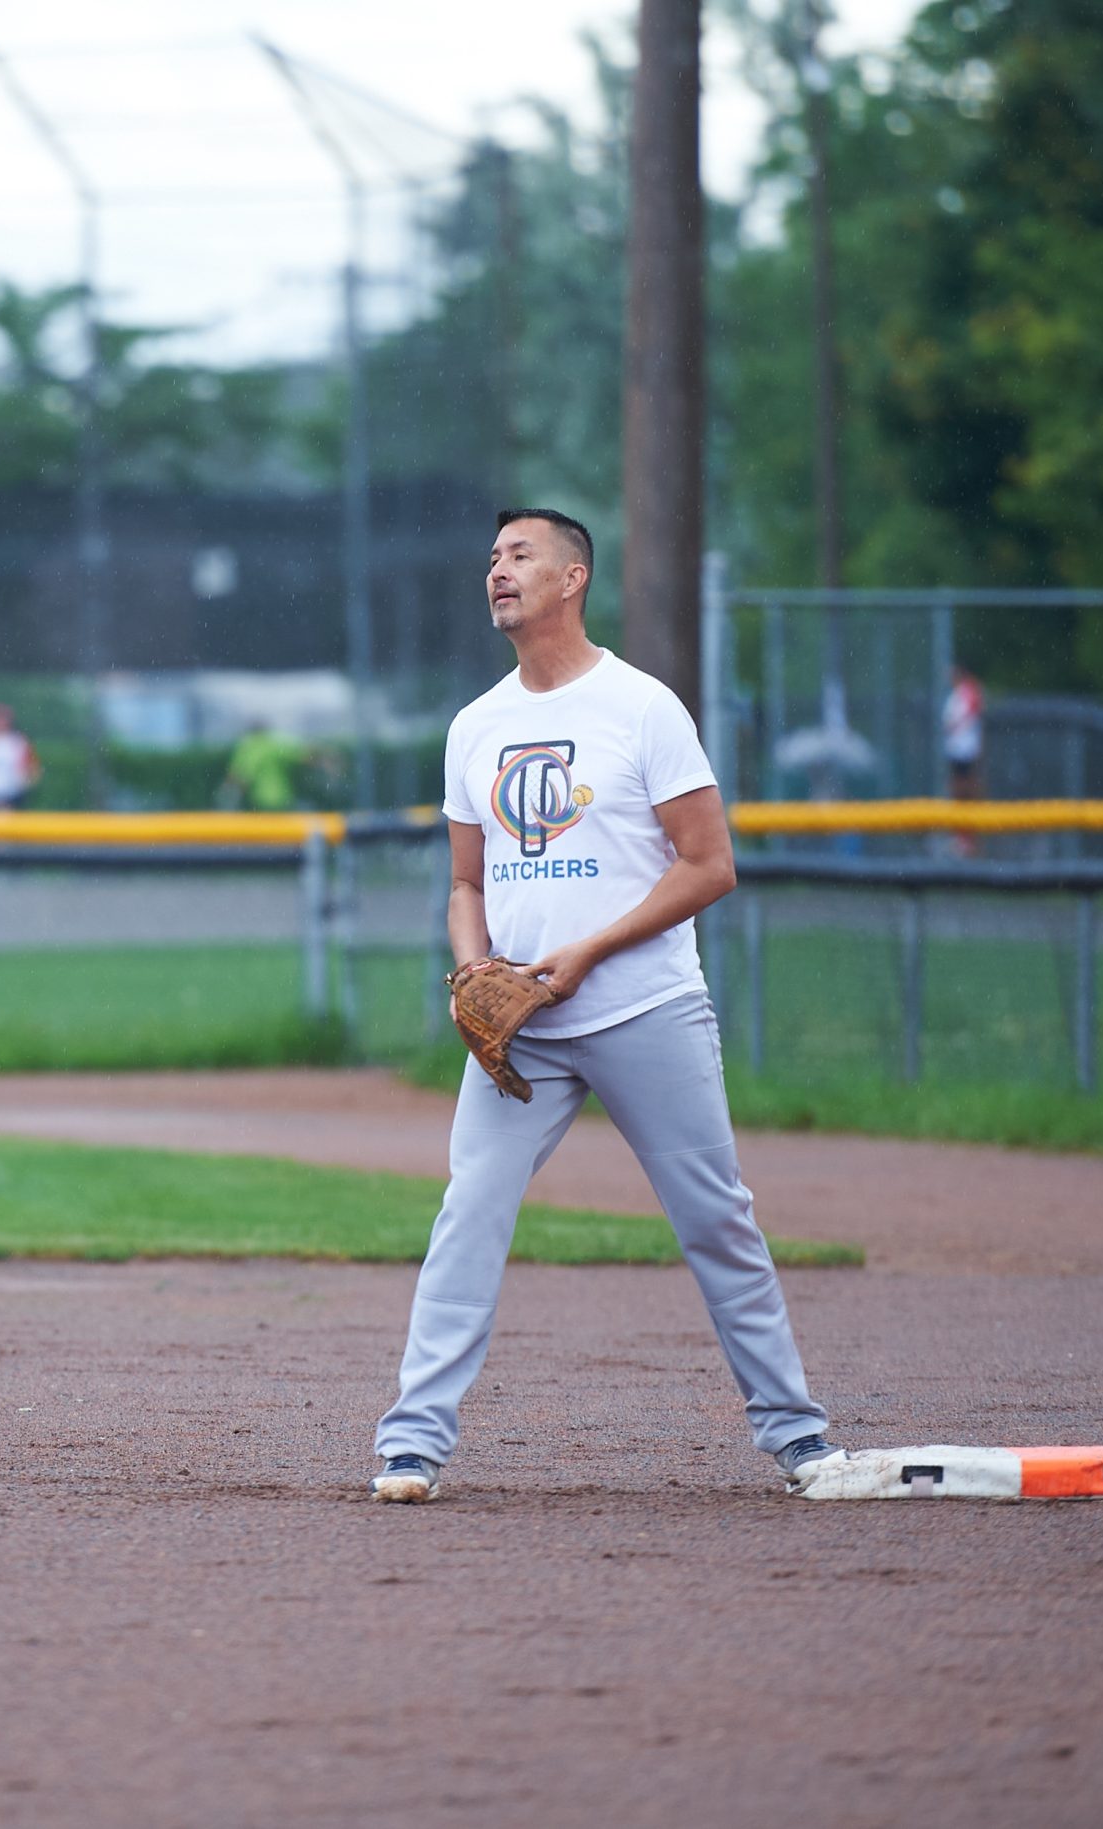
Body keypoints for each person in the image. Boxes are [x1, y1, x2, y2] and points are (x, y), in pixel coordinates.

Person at [369, 507, 841, 1504]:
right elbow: (466, 884)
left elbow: (709, 865)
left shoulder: (641, 707)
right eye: (492, 555)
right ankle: (410, 1445)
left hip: (643, 1007)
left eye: (520, 554)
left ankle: (798, 1436)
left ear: (573, 576)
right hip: (522, 1029)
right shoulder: (476, 724)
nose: (497, 568)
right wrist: (470, 972)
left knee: (715, 1217)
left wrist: (587, 950)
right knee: (469, 1211)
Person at [941, 663, 986, 857]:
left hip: (965, 750)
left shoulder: (968, 690)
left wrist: (954, 726)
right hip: (957, 750)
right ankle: (961, 838)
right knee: (958, 793)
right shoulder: (958, 693)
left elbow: (973, 709)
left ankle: (968, 840)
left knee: (965, 791)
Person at [223, 722, 306, 812]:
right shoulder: (275, 746)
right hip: (284, 797)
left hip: (259, 800)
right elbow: (302, 756)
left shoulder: (248, 749)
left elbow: (239, 776)